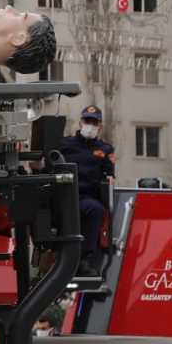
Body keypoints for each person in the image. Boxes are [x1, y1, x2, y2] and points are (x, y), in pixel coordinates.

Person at [58, 105, 115, 278]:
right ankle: (59, 259)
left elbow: (110, 175)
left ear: (100, 126)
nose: (90, 125)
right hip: (63, 196)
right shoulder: (64, 144)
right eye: (87, 121)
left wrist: (110, 180)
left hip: (87, 198)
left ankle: (86, 258)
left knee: (96, 210)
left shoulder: (105, 150)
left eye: (94, 122)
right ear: (80, 122)